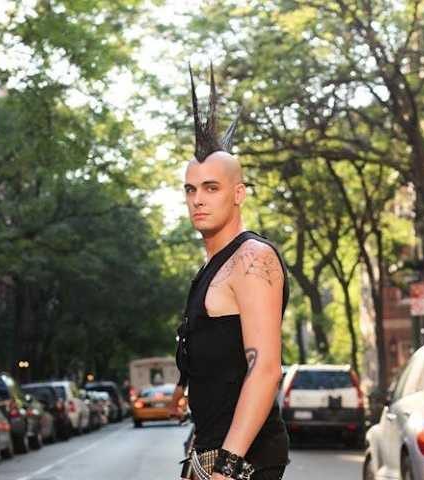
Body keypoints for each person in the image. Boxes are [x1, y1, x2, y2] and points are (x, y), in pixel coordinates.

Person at [170, 64, 289, 480]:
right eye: (191, 189)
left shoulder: (253, 260)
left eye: (211, 188)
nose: (198, 200)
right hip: (208, 450)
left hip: (242, 461)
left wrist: (227, 464)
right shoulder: (213, 266)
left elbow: (265, 368)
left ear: (238, 194)